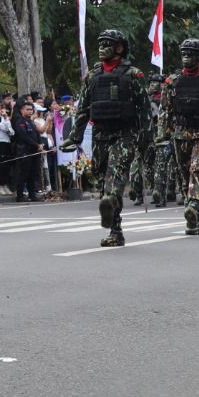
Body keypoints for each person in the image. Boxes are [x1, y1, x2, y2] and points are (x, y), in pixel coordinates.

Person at [65, 29, 149, 246]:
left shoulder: (133, 75)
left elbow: (144, 110)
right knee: (103, 181)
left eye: (107, 44)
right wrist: (74, 137)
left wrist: (145, 139)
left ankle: (110, 205)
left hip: (125, 135)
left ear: (119, 48)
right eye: (100, 44)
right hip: (101, 136)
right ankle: (115, 230)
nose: (101, 48)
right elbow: (83, 109)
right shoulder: (92, 76)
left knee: (115, 177)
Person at [159, 38, 199, 236]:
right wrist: (161, 133)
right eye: (184, 53)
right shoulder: (172, 81)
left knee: (197, 170)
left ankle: (194, 206)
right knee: (184, 174)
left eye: (191, 53)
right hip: (180, 132)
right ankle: (194, 219)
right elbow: (165, 110)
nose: (186, 57)